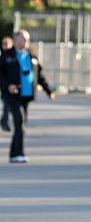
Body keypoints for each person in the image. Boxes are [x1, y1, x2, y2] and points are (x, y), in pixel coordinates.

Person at [0, 29, 54, 163]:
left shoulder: (31, 56)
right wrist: (8, 86)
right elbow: (0, 75)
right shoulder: (7, 55)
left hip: (26, 95)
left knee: (21, 124)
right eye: (23, 39)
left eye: (27, 39)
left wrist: (48, 90)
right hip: (12, 95)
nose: (26, 42)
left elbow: (39, 75)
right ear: (16, 39)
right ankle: (17, 154)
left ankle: (16, 154)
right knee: (19, 122)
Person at [1, 35, 13, 131]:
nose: (5, 45)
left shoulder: (13, 56)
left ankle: (4, 121)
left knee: (7, 104)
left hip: (9, 85)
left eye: (6, 43)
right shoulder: (2, 56)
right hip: (4, 85)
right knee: (7, 104)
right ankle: (4, 121)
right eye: (3, 44)